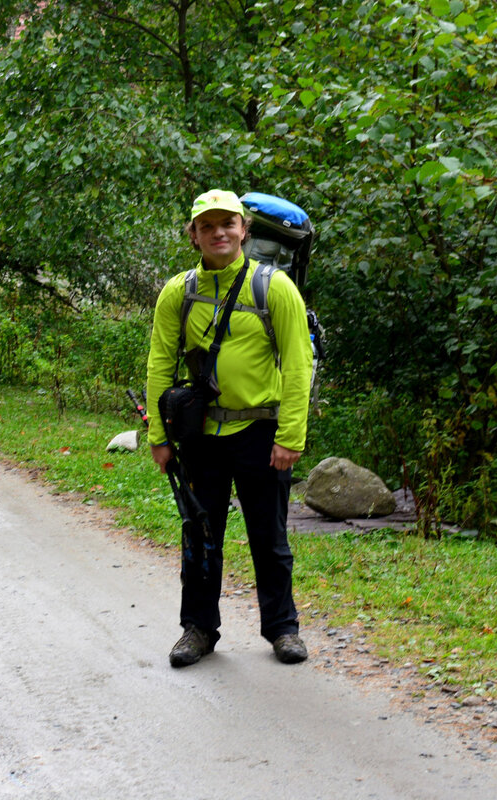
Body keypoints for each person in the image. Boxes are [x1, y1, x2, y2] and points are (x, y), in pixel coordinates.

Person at [145, 189, 313, 667]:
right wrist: (160, 435)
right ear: (194, 236)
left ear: (244, 230)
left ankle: (283, 630)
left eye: (228, 224)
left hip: (262, 435)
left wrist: (290, 437)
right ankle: (198, 630)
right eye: (207, 226)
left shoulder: (274, 287)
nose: (219, 232)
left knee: (270, 537)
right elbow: (160, 362)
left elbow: (299, 366)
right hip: (201, 436)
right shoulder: (179, 291)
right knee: (199, 534)